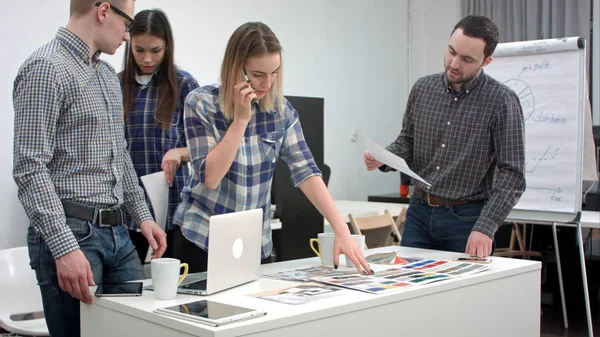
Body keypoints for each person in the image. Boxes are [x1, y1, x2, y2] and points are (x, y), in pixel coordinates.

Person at [12, 1, 166, 336]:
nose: (129, 33)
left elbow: (120, 156)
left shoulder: (107, 76)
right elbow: (29, 168)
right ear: (103, 11)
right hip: (72, 234)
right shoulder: (45, 68)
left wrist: (142, 215)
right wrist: (64, 247)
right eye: (128, 22)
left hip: (118, 234)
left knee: (136, 329)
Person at [173, 22, 372, 274]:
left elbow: (307, 171)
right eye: (258, 75)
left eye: (274, 73)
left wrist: (342, 230)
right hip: (202, 240)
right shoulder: (200, 103)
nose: (267, 83)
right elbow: (211, 178)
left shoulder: (281, 111)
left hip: (254, 245)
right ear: (237, 68)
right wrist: (241, 120)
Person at [364, 15, 526, 258]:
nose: (454, 63)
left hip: (467, 219)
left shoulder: (501, 101)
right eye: (451, 51)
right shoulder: (423, 89)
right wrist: (384, 158)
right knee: (409, 289)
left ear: (487, 60)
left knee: (460, 295)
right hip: (419, 213)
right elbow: (408, 141)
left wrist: (486, 226)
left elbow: (512, 174)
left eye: (467, 59)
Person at [120, 9, 199, 262]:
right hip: (127, 211)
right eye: (139, 49)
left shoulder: (184, 86)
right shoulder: (116, 85)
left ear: (167, 47)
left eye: (156, 50)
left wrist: (180, 153)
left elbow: (208, 147)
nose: (147, 58)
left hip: (172, 209)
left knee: (170, 287)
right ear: (129, 45)